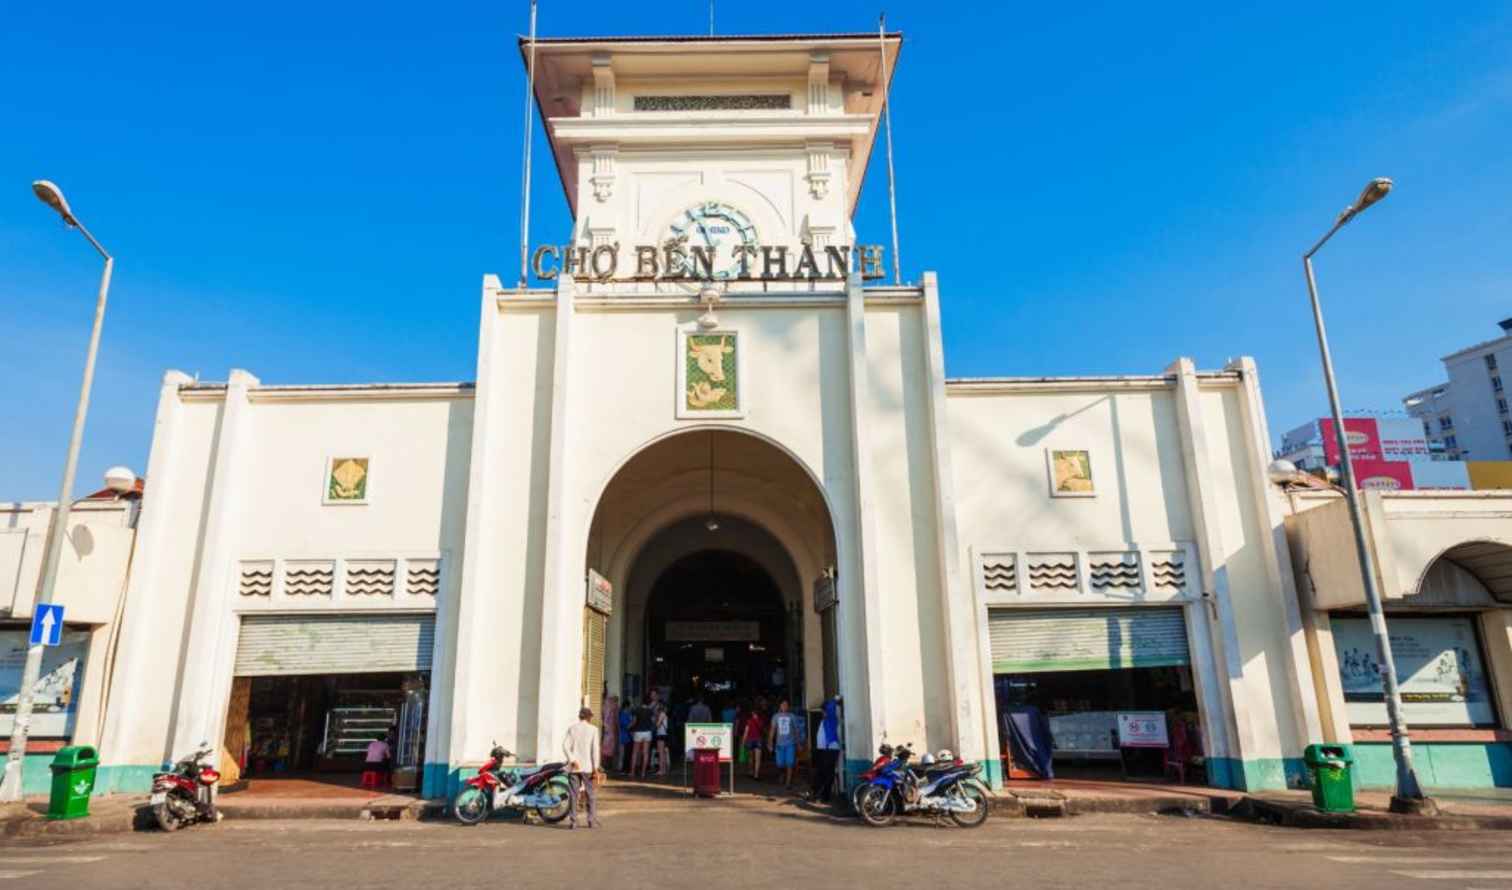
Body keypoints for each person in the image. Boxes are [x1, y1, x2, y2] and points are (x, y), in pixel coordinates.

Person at [563, 707, 601, 829]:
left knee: (574, 794)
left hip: (575, 767)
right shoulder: (593, 730)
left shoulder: (572, 729)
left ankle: (573, 822)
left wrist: (572, 760)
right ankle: (591, 820)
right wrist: (596, 767)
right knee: (590, 794)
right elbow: (595, 750)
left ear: (580, 716)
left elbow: (565, 746)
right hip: (588, 767)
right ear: (589, 717)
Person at [810, 696, 841, 803]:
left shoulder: (831, 718)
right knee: (822, 773)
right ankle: (818, 794)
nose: (822, 713)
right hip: (824, 750)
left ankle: (823, 796)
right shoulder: (825, 720)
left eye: (823, 711)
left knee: (826, 774)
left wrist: (835, 699)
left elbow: (831, 705)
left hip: (830, 750)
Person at [767, 699, 798, 789]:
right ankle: (782, 773)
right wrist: (770, 742)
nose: (784, 706)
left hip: (790, 744)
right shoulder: (775, 717)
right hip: (779, 744)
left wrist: (798, 742)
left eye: (786, 704)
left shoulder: (792, 716)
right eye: (783, 704)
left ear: (788, 707)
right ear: (780, 706)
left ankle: (788, 783)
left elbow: (796, 730)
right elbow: (772, 730)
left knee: (790, 763)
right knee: (780, 763)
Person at [630, 696, 655, 778]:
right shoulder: (650, 711)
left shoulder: (637, 710)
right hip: (647, 732)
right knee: (646, 753)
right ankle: (643, 773)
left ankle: (632, 772)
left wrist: (629, 727)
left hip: (638, 732)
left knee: (635, 752)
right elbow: (653, 721)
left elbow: (634, 722)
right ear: (649, 702)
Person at [742, 704, 767, 780]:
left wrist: (743, 741)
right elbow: (763, 730)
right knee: (758, 759)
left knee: (750, 757)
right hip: (758, 740)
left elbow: (746, 732)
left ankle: (750, 772)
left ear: (752, 713)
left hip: (750, 740)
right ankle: (756, 775)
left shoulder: (749, 721)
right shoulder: (761, 720)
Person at [617, 702, 635, 773]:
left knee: (628, 753)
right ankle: (624, 769)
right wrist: (633, 722)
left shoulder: (628, 714)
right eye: (629, 707)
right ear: (626, 707)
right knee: (625, 754)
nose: (630, 709)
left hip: (629, 737)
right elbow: (627, 726)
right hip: (625, 737)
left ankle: (626, 768)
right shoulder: (623, 715)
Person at [654, 704, 671, 777]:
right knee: (663, 753)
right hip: (663, 735)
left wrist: (655, 720)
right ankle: (663, 770)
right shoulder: (664, 714)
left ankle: (661, 770)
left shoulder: (662, 714)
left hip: (661, 735)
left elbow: (657, 725)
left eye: (656, 709)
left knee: (661, 753)